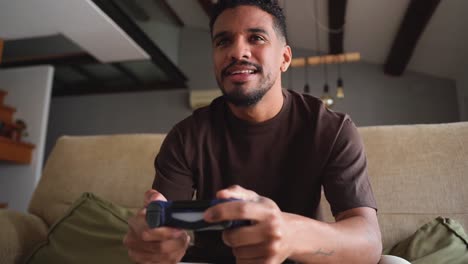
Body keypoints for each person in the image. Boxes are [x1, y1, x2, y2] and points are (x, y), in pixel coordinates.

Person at [124, 0, 387, 263]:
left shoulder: (332, 129)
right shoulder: (186, 136)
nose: (238, 52)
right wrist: (154, 243)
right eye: (223, 42)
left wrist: (290, 235)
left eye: (256, 38)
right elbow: (163, 228)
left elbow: (368, 243)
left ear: (284, 58)